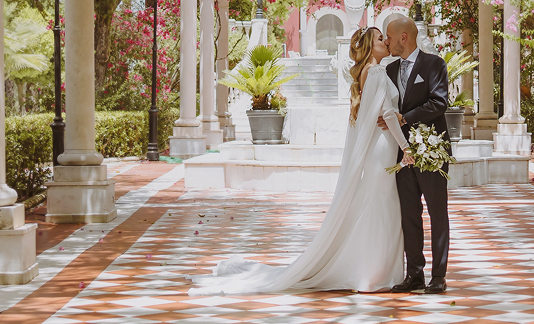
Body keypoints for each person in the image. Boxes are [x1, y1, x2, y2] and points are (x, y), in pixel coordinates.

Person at [189, 26, 411, 294]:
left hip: (379, 149)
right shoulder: (375, 71)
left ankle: (371, 269)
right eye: (379, 39)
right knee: (382, 204)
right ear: (368, 47)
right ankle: (374, 272)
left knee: (378, 203)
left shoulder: (368, 72)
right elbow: (387, 114)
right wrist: (407, 147)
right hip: (382, 150)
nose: (385, 42)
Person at [378, 15, 451, 294]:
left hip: (431, 149)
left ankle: (439, 277)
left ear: (403, 37)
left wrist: (404, 118)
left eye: (389, 36)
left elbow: (439, 102)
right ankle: (415, 275)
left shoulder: (434, 64)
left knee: (437, 213)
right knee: (409, 214)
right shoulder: (389, 70)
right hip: (402, 154)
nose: (387, 42)